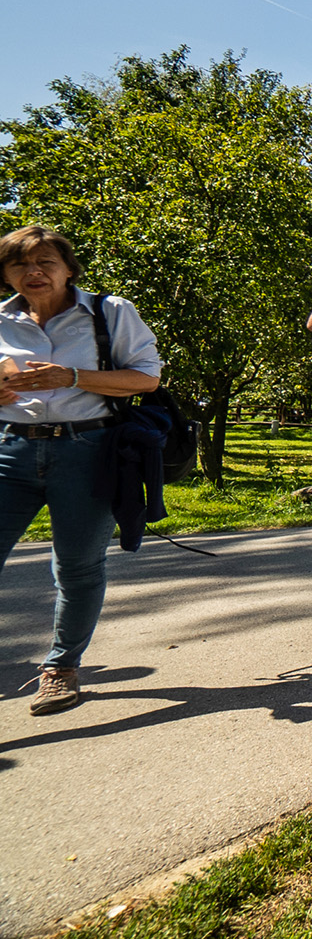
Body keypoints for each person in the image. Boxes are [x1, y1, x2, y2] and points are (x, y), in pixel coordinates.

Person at [0, 226, 162, 715]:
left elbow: (147, 377)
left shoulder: (110, 312)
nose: (33, 273)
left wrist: (71, 377)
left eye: (46, 262)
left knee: (77, 567)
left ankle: (60, 668)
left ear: (68, 268)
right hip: (10, 451)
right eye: (20, 264)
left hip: (87, 451)